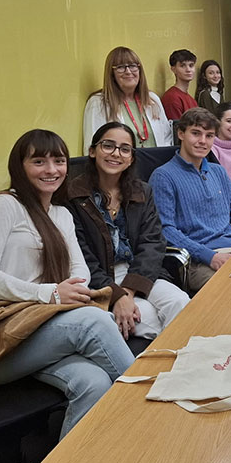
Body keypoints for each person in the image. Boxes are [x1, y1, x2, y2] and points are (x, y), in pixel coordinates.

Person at [0, 130, 134, 438]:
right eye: (39, 161)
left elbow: (80, 272)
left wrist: (58, 294)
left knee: (94, 383)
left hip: (36, 330)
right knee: (93, 320)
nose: (51, 170)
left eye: (59, 161)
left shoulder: (62, 214)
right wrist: (49, 293)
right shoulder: (3, 205)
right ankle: (159, 409)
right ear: (19, 166)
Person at [67, 123, 190, 341]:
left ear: (131, 158)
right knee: (148, 320)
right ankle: (164, 368)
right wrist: (115, 295)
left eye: (125, 149)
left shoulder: (141, 191)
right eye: (108, 146)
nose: (116, 154)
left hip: (140, 273)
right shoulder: (73, 196)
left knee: (181, 303)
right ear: (93, 151)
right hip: (100, 279)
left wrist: (128, 292)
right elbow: (81, 256)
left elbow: (153, 243)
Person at [149, 108, 231, 292]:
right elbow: (165, 230)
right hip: (199, 261)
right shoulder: (163, 176)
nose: (203, 141)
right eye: (196, 133)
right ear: (181, 133)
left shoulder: (217, 171)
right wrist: (209, 256)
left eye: (209, 135)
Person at [83, 46, 173, 151]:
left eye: (132, 66)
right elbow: (92, 146)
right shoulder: (98, 103)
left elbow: (167, 138)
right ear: (111, 74)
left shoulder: (152, 99)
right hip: (120, 166)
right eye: (120, 67)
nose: (128, 71)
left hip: (156, 164)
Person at [160, 49, 198, 122]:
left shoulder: (191, 100)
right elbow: (176, 130)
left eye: (191, 65)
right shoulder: (171, 98)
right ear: (173, 69)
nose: (188, 70)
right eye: (182, 66)